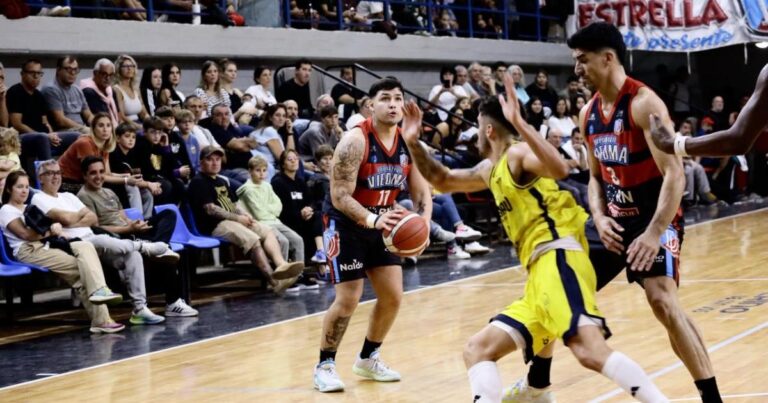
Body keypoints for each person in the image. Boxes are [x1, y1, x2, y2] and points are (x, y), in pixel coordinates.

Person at [401, 74, 667, 402]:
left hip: (559, 260)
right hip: (538, 277)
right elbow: (442, 178)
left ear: (488, 130)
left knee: (590, 351)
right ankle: (538, 391)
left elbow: (559, 168)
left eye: (477, 126)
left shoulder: (518, 154)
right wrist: (412, 142)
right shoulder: (490, 168)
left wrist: (519, 123)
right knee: (477, 350)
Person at [508, 22, 721, 402]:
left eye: (582, 60)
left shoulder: (644, 104)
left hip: (655, 217)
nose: (577, 69)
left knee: (662, 301)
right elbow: (593, 178)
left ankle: (711, 398)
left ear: (608, 58)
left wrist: (654, 232)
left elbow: (674, 175)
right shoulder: (588, 112)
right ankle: (537, 384)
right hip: (613, 221)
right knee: (555, 284)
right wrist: (601, 217)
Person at [312, 77, 432, 393]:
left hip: (384, 221)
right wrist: (371, 219)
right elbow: (339, 195)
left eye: (397, 98)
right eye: (385, 98)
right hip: (345, 221)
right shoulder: (355, 141)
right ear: (371, 105)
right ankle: (324, 364)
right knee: (349, 297)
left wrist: (424, 224)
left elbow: (422, 192)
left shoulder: (409, 142)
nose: (393, 104)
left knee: (392, 296)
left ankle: (368, 357)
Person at [33, 159, 176, 326]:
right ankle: (146, 246)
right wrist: (76, 217)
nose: (55, 177)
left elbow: (92, 218)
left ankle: (140, 309)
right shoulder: (38, 198)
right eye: (49, 173)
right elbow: (68, 218)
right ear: (40, 178)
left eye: (57, 173)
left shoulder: (68, 196)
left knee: (133, 256)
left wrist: (72, 220)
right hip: (77, 245)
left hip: (95, 238)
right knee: (103, 239)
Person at [0, 170, 126, 334]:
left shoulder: (28, 207)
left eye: (26, 187)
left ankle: (101, 291)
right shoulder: (6, 210)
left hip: (46, 245)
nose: (24, 191)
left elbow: (46, 228)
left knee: (85, 246)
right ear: (9, 189)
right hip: (29, 250)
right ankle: (102, 320)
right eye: (19, 187)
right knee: (82, 273)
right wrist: (51, 230)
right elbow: (26, 235)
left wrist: (53, 231)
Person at [77, 156, 197, 317]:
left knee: (168, 214)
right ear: (84, 176)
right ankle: (173, 302)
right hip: (114, 238)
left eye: (101, 172)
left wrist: (137, 225)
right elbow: (96, 228)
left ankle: (156, 245)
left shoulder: (109, 191)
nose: (98, 176)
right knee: (165, 255)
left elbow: (121, 215)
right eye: (93, 173)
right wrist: (127, 229)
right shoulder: (83, 196)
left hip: (130, 231)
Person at [188, 145, 304, 293]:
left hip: (233, 219)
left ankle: (281, 265)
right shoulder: (199, 181)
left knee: (267, 231)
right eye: (210, 159)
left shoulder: (221, 180)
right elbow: (211, 210)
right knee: (253, 238)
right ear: (201, 162)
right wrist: (238, 218)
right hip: (215, 225)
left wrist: (243, 214)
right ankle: (274, 282)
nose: (215, 162)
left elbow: (233, 204)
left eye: (217, 159)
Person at [650, 63, 768, 158]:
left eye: (721, 103)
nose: (720, 104)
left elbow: (738, 140)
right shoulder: (708, 116)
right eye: (718, 102)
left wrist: (673, 145)